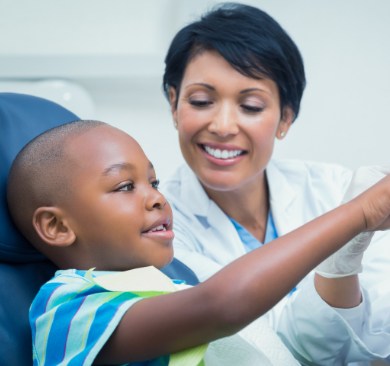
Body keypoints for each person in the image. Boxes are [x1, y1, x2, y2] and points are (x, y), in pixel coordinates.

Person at [6, 120, 390, 365]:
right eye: (125, 186)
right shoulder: (68, 309)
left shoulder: (170, 284)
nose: (156, 197)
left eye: (153, 182)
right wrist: (359, 213)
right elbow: (222, 305)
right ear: (56, 226)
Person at [161, 2, 390, 364]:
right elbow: (254, 351)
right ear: (174, 105)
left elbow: (381, 337)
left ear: (285, 118)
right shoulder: (158, 225)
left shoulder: (336, 187)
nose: (222, 126)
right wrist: (341, 258)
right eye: (201, 101)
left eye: (250, 106)